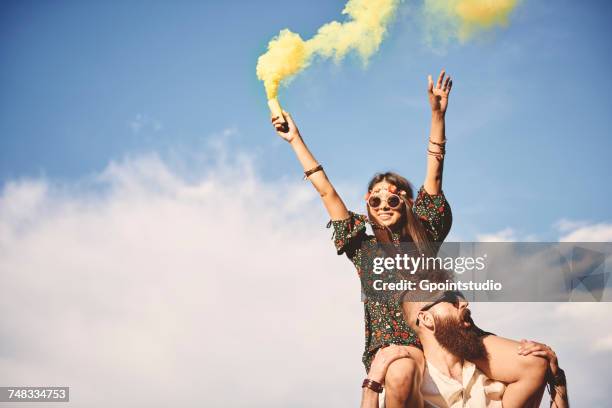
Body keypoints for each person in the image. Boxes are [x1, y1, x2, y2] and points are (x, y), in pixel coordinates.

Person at [270, 70, 548, 407]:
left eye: (393, 198)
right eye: (375, 200)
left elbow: (436, 168)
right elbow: (325, 189)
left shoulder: (427, 232)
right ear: (367, 208)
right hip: (403, 345)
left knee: (535, 362)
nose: (384, 204)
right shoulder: (363, 246)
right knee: (400, 374)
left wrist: (437, 115)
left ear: (408, 203)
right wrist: (295, 140)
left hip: (452, 335)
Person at [360, 290, 569, 408]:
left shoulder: (494, 383)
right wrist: (372, 384)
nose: (464, 303)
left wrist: (557, 379)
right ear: (426, 318)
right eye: (451, 300)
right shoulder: (412, 386)